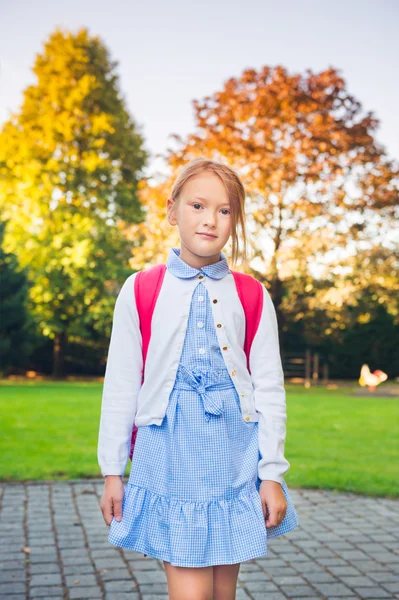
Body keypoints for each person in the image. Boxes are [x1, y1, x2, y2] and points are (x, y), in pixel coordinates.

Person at [97, 157, 299, 600]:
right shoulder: (140, 289)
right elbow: (121, 387)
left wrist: (271, 474)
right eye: (198, 206)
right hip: (169, 455)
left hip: (235, 455)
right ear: (172, 211)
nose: (210, 219)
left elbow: (269, 390)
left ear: (235, 220)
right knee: (191, 594)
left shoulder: (251, 294)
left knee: (222, 595)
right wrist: (113, 471)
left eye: (224, 210)